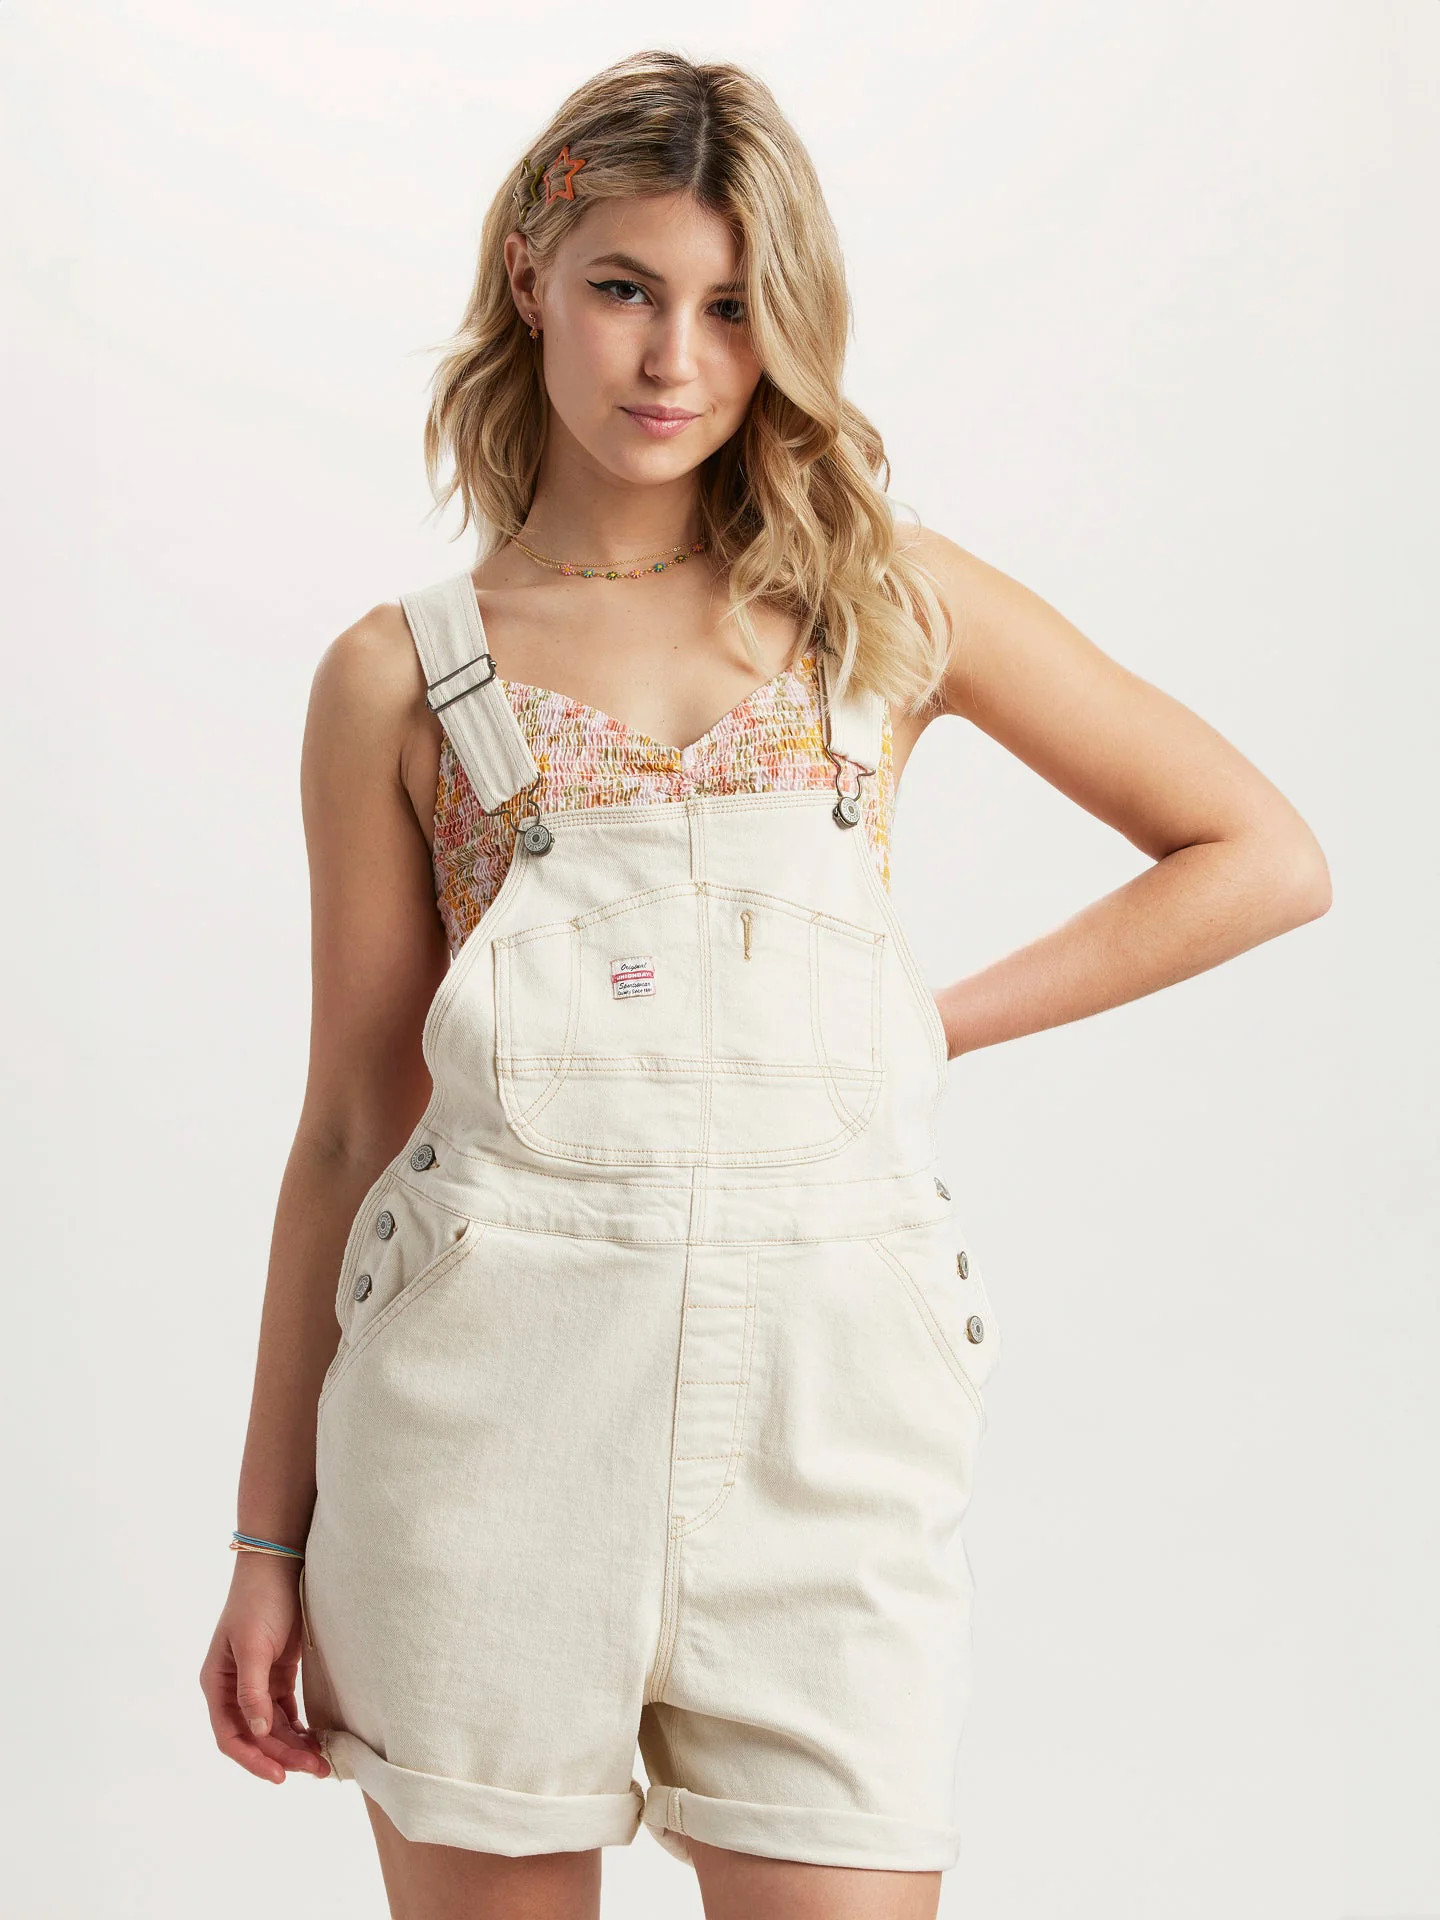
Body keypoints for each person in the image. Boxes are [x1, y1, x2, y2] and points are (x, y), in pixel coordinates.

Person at [198, 47, 1331, 1920]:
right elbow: (346, 1124)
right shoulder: (397, 677)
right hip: (479, 1437)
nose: (676, 360)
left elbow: (1258, 855)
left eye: (734, 309)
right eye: (626, 288)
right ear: (530, 277)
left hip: (829, 1438)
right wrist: (267, 1541)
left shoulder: (885, 603)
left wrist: (922, 1024)